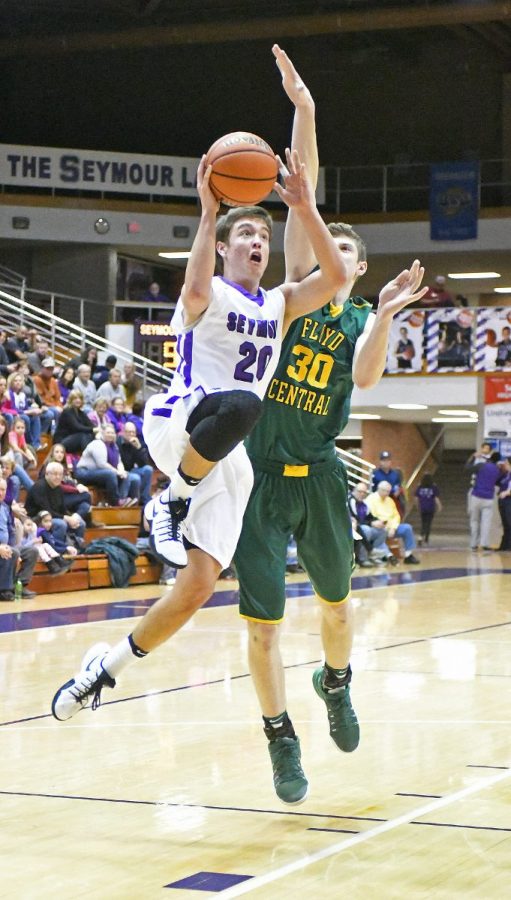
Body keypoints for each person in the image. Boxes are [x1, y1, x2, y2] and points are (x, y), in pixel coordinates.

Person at [51, 57, 352, 723]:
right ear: (222, 248)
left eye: (260, 236)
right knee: (245, 402)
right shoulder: (208, 286)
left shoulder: (277, 303)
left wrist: (302, 205)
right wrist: (206, 211)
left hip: (227, 455)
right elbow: (188, 293)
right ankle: (173, 500)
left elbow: (333, 278)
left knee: (196, 587)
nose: (255, 241)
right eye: (243, 233)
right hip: (182, 422)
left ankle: (104, 670)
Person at [232, 47, 426, 804]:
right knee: (259, 628)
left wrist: (379, 315)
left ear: (354, 271)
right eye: (321, 250)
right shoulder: (287, 299)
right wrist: (304, 110)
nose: (326, 258)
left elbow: (371, 378)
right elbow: (299, 195)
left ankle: (334, 683)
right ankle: (281, 741)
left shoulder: (354, 322)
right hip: (255, 475)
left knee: (338, 610)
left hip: (315, 475)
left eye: (341, 256)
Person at [25, 462, 87, 550]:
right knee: (61, 524)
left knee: (80, 523)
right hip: (38, 518)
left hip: (53, 516)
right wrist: (65, 518)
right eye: (54, 474)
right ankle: (57, 550)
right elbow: (46, 511)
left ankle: (77, 548)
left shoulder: (58, 488)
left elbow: (62, 508)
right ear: (47, 474)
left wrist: (70, 517)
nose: (58, 477)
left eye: (60, 474)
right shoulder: (39, 487)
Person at [74, 423, 139, 507]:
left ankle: (125, 501)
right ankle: (115, 502)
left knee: (128, 476)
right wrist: (117, 472)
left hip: (100, 472)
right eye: (108, 432)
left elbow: (119, 462)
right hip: (84, 472)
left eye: (112, 433)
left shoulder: (114, 446)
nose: (110, 435)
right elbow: (101, 464)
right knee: (111, 474)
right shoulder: (97, 443)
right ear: (102, 433)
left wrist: (121, 471)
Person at [0, 477, 38, 601]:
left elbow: (11, 533)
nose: (1, 493)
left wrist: (15, 548)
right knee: (12, 552)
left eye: (3, 490)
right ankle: (4, 590)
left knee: (31, 551)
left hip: (6, 547)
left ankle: (19, 585)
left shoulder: (5, 508)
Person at [367, 481, 420, 565]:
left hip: (392, 528)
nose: (387, 493)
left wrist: (393, 528)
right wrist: (387, 527)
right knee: (381, 533)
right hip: (380, 527)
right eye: (385, 491)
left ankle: (408, 555)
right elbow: (372, 517)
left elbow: (396, 516)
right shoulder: (370, 499)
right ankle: (389, 555)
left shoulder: (390, 500)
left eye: (388, 491)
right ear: (379, 489)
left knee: (407, 528)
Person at [348, 482, 393, 565]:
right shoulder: (351, 500)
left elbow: (370, 516)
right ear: (354, 491)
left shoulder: (363, 504)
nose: (362, 494)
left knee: (383, 530)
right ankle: (363, 559)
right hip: (355, 528)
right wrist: (371, 524)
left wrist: (377, 521)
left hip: (362, 526)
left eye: (364, 492)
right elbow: (356, 520)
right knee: (366, 529)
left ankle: (375, 556)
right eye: (360, 491)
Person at [466, 450, 502, 551]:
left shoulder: (481, 465)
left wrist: (473, 457)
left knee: (474, 521)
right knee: (486, 522)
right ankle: (484, 544)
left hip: (476, 496)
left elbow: (468, 468)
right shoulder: (497, 470)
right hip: (489, 498)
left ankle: (473, 544)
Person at [372, 451, 405, 516]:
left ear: (390, 462)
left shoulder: (396, 473)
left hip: (394, 499)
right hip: (380, 501)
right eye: (383, 460)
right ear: (380, 462)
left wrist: (398, 492)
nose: (386, 462)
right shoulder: (375, 474)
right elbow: (373, 489)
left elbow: (399, 485)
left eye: (387, 460)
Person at [414, 472, 442, 545]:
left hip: (423, 507)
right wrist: (439, 506)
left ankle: (422, 537)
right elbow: (436, 498)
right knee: (428, 523)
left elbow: (416, 498)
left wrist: (417, 506)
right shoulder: (433, 487)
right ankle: (425, 538)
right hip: (430, 508)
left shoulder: (420, 487)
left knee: (423, 523)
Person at [497, 458, 511, 551]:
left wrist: (506, 493)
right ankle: (504, 545)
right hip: (503, 501)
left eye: (506, 463)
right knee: (505, 524)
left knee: (509, 523)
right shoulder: (506, 474)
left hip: (509, 501)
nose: (504, 464)